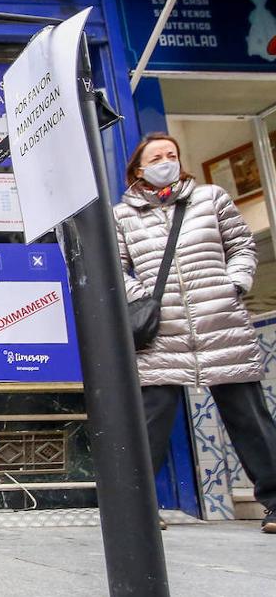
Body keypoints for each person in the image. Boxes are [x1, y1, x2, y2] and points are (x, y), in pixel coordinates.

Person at [114, 133, 276, 535]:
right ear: (139, 169)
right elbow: (116, 268)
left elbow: (242, 246)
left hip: (219, 322)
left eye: (171, 154)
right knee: (149, 424)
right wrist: (142, 299)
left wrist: (234, 284)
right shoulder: (123, 215)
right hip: (161, 332)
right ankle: (139, 510)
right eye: (156, 157)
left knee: (250, 419)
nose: (165, 161)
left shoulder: (211, 199)